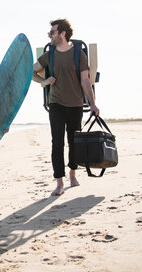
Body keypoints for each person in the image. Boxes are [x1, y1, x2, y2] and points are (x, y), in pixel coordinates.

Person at [32, 19, 99, 196]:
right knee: (57, 143)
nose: (50, 35)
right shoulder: (50, 55)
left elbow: (85, 81)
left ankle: (72, 173)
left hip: (76, 103)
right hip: (56, 103)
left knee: (73, 142)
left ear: (62, 33)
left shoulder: (79, 54)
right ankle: (59, 182)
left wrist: (92, 104)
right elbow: (32, 72)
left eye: (52, 32)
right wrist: (44, 81)